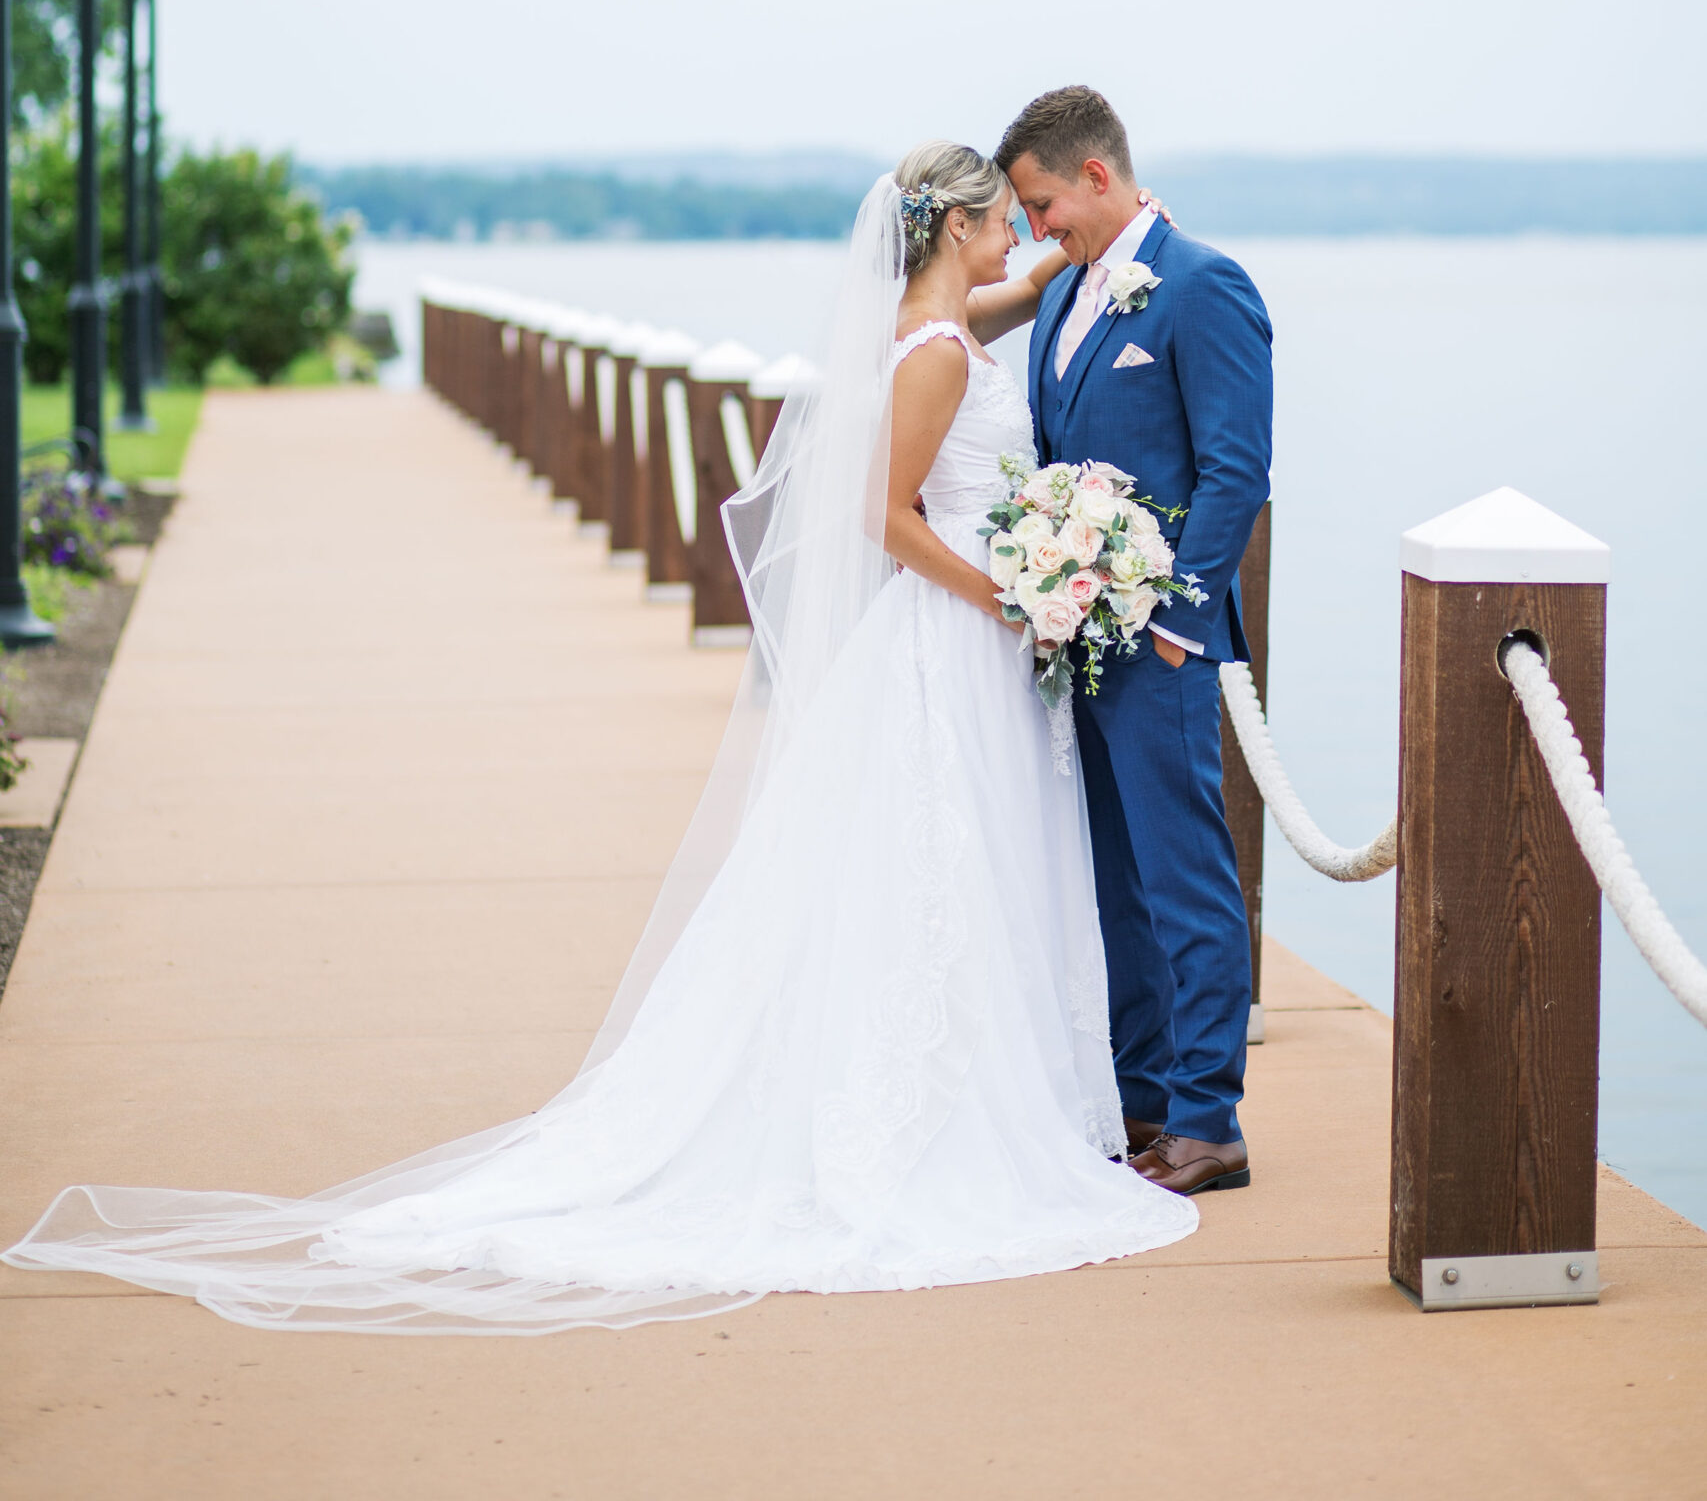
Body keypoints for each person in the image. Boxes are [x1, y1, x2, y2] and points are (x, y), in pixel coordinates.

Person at [4, 144, 1197, 1334]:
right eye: (1003, 221)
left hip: (960, 639)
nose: (1015, 237)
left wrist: (1081, 249)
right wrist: (1009, 592)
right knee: (952, 868)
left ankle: (962, 1089)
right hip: (954, 634)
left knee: (946, 875)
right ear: (952, 230)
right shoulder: (935, 354)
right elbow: (887, 521)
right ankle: (947, 1113)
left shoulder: (931, 320)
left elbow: (1000, 297)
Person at [998, 86, 1274, 1197]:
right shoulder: (1064, 289)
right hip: (1081, 644)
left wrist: (1176, 628)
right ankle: (1144, 1097)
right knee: (1115, 883)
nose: (1035, 230)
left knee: (1185, 878)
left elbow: (1235, 471)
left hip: (1156, 643)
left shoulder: (1203, 288)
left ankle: (1210, 1118)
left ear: (1099, 177)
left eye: (1044, 204)